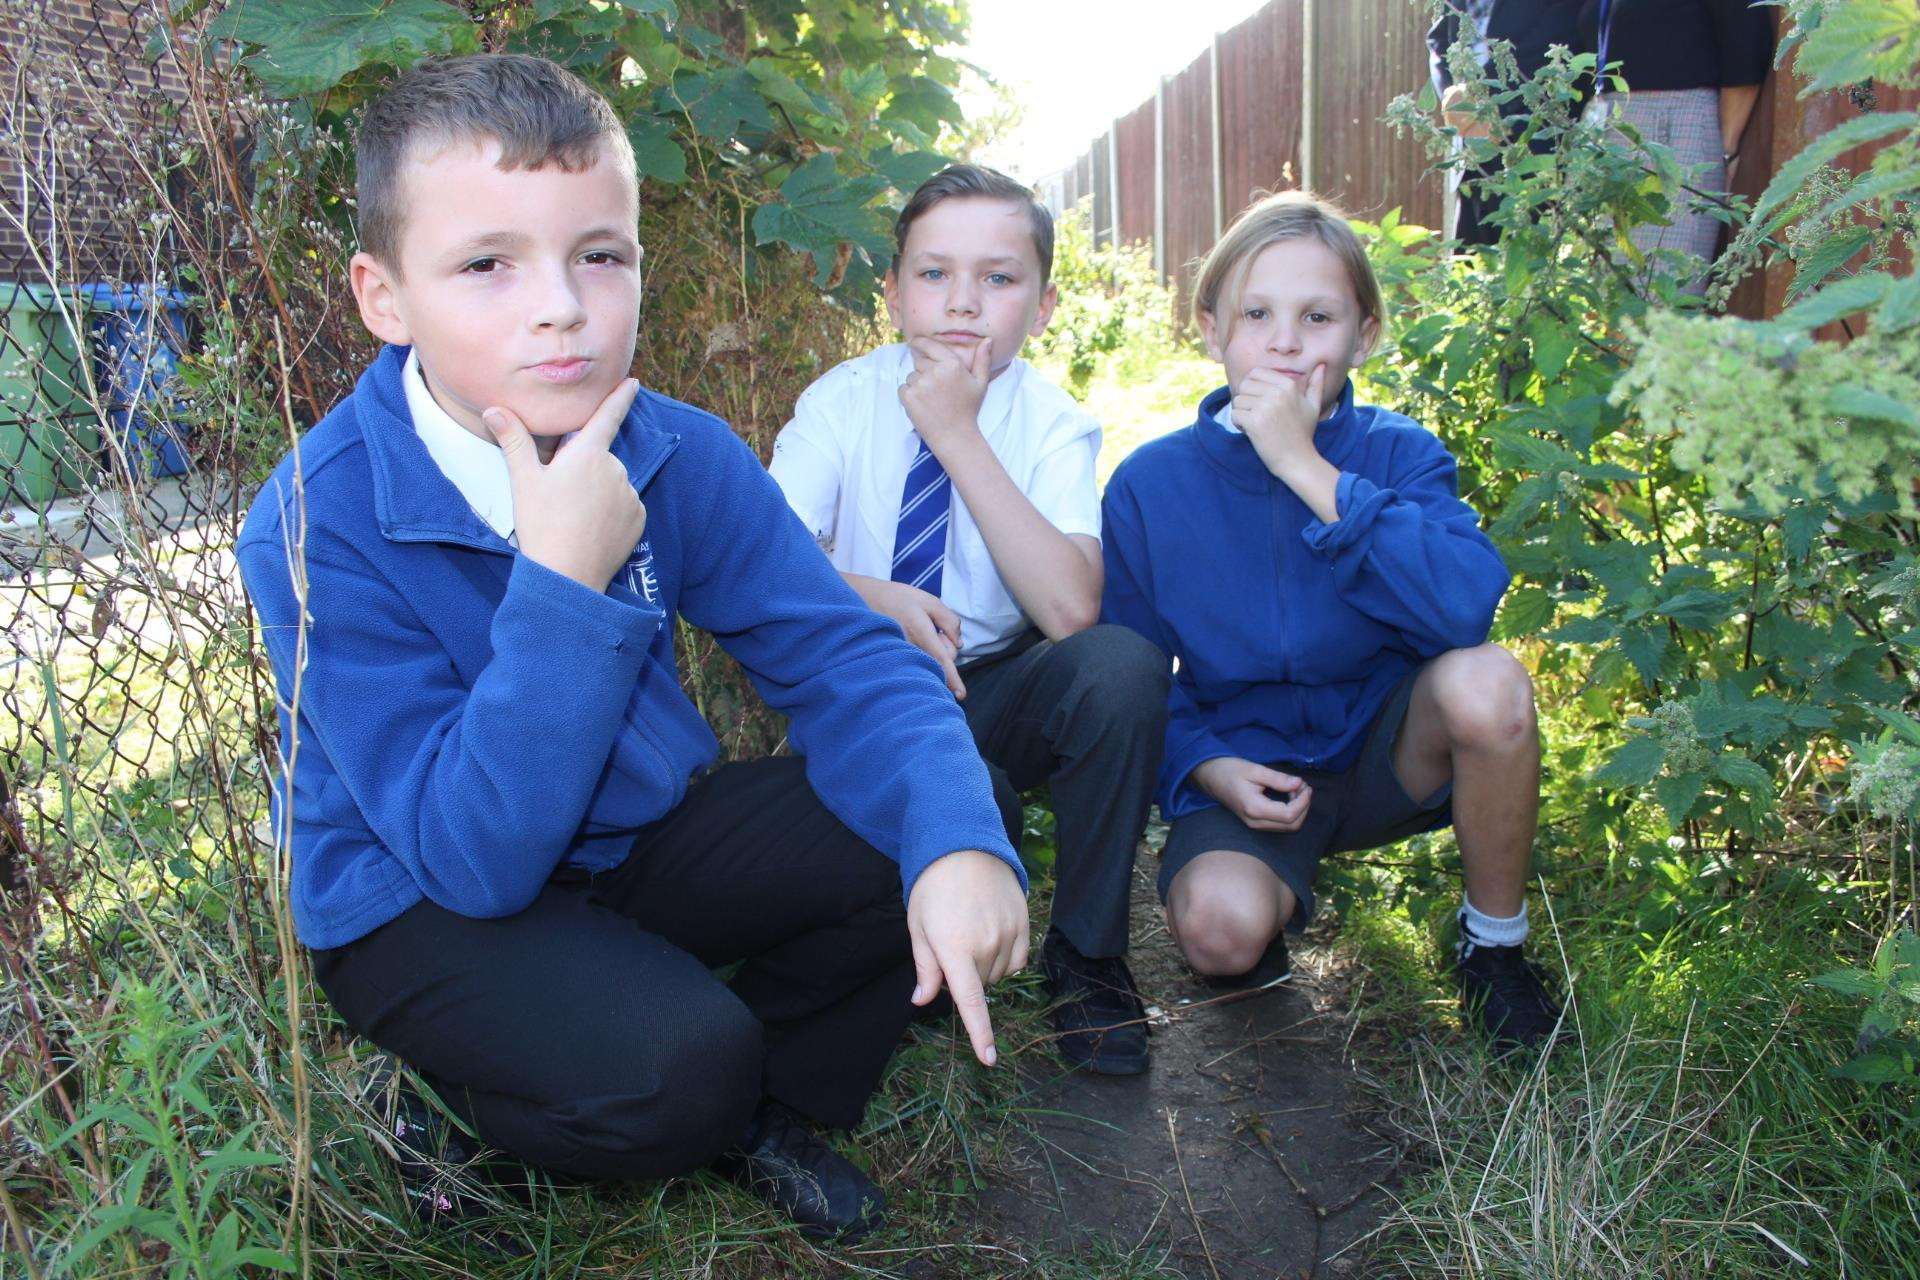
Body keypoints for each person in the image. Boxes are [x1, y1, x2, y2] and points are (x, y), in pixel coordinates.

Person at [236, 54, 1031, 1245]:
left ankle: (766, 1101)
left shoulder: (677, 450)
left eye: (599, 255)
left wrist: (957, 842)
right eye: (487, 264)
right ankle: (460, 1101)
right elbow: (475, 859)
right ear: (384, 294)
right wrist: (561, 582)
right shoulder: (313, 522)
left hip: (624, 833)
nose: (560, 305)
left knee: (948, 806)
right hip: (423, 888)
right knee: (676, 1069)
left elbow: (845, 660)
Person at [1100, 190, 1561, 1050]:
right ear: (1211, 331)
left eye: (1317, 316)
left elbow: (1464, 603)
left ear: (1365, 334)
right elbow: (1131, 675)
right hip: (1252, 771)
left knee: (1488, 685)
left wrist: (1310, 471)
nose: (1284, 341)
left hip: (1393, 753)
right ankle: (1269, 895)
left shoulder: (1399, 453)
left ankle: (1493, 949)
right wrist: (1205, 768)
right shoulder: (1150, 486)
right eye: (1257, 314)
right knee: (1217, 936)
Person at [769, 165, 1169, 1077]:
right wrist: (872, 596)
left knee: (1122, 667)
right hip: (863, 677)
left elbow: (1070, 610)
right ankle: (916, 938)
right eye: (934, 273)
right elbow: (764, 559)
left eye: (998, 278)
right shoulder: (841, 402)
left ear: (1045, 302)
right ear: (893, 290)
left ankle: (1090, 955)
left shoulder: (1052, 421)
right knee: (968, 790)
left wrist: (958, 431)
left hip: (990, 681)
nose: (962, 303)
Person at [1577, 0, 1775, 292]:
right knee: (1619, 298)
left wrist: (1727, 149)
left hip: (1673, 122)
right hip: (1618, 124)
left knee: (1663, 295)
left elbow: (1745, 43)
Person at [1427, 0, 1586, 245]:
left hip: (1532, 137)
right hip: (1471, 148)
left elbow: (1556, 36)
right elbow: (1438, 41)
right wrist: (1453, 97)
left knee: (1533, 253)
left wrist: (1485, 99)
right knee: (1471, 261)